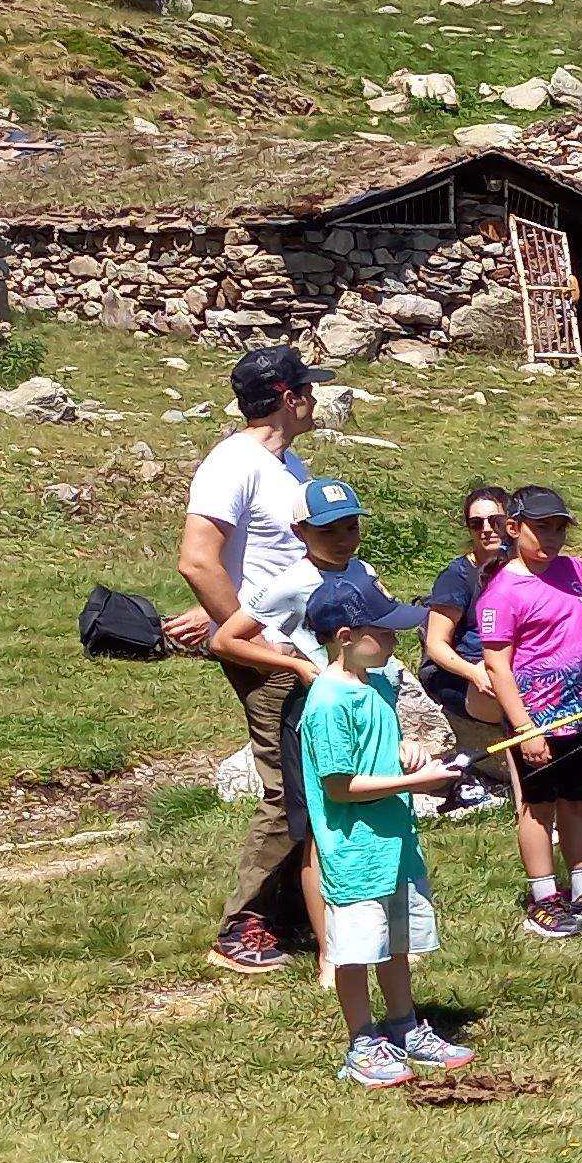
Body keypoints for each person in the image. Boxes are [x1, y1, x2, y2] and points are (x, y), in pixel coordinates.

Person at [294, 563, 477, 1090]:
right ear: (347, 638)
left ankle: (404, 1026)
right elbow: (339, 786)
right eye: (385, 630)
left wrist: (405, 751)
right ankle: (361, 1042)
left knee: (397, 940)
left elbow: (376, 750)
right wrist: (415, 786)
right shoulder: (328, 702)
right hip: (354, 850)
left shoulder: (376, 684)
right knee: (355, 950)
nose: (397, 637)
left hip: (395, 842)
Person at [172, 344, 317, 972]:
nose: (316, 399)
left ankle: (284, 916)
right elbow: (197, 558)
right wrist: (247, 636)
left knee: (311, 780)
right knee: (287, 790)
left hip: (302, 645)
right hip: (268, 653)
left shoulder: (289, 465)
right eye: (309, 388)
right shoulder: (234, 463)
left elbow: (256, 563)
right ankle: (243, 925)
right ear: (288, 397)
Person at [207, 472, 380, 969]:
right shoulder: (294, 580)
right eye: (330, 531)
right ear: (300, 531)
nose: (344, 539)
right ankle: (241, 924)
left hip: (346, 700)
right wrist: (296, 666)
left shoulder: (361, 570)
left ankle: (303, 911)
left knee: (336, 802)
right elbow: (227, 639)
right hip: (292, 697)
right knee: (287, 801)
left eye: (351, 527)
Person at [474, 483, 582, 940]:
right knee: (537, 808)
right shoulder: (503, 592)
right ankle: (543, 897)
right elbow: (498, 666)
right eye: (542, 528)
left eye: (560, 528)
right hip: (536, 717)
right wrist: (525, 730)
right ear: (514, 528)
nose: (553, 538)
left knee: (577, 801)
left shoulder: (575, 571)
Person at [412, 483, 522, 817]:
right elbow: (436, 643)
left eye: (495, 520)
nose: (487, 529)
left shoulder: (520, 569)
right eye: (477, 523)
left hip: (506, 666)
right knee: (514, 707)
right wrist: (474, 672)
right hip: (458, 674)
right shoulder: (458, 577)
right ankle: (528, 807)